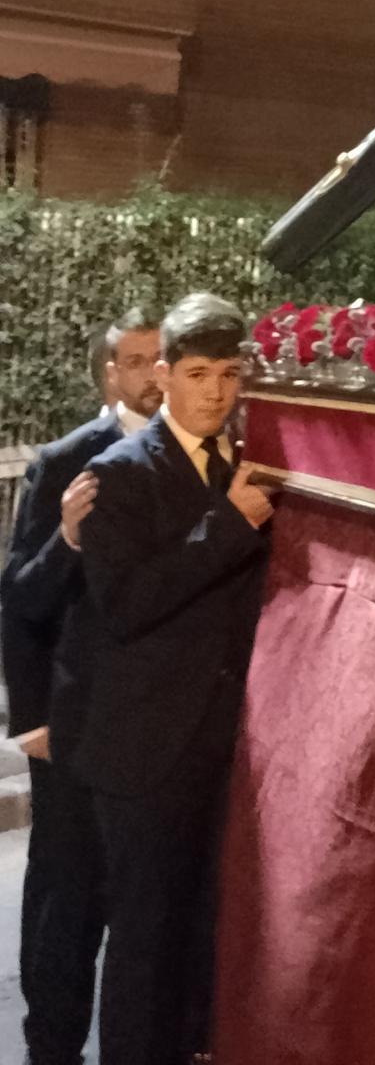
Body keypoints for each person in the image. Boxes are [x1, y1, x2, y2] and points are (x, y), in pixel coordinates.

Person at [63, 293, 272, 1065]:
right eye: (196, 374)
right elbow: (125, 606)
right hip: (145, 753)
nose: (215, 392)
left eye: (228, 374)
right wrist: (226, 527)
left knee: (203, 935)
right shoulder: (119, 472)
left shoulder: (249, 465)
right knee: (145, 940)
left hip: (224, 746)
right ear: (163, 375)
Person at [1, 308, 161, 1065]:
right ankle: (49, 1048)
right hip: (68, 723)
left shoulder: (203, 455)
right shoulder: (66, 459)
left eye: (164, 360)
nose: (151, 376)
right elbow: (22, 600)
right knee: (64, 904)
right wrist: (31, 722)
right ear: (109, 373)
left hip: (152, 726)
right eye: (136, 362)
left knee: (137, 905)